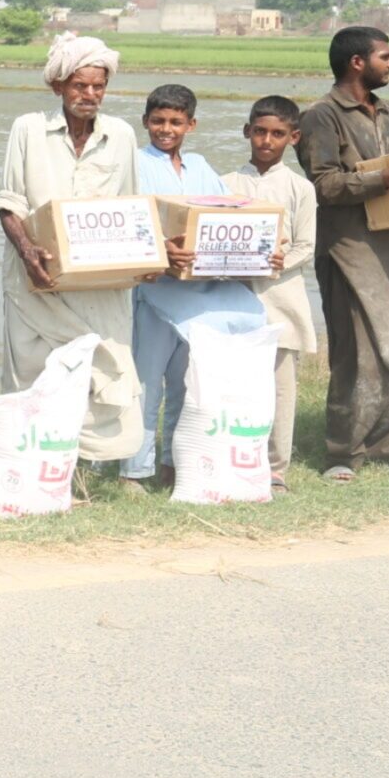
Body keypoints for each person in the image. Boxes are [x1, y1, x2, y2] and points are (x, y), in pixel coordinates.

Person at [0, 33, 148, 489]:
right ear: (58, 86)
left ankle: (79, 470)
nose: (90, 95)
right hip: (35, 281)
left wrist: (144, 259)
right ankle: (33, 471)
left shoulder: (120, 135)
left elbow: (131, 207)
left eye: (98, 86)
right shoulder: (29, 129)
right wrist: (28, 252)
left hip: (101, 286)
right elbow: (9, 204)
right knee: (35, 374)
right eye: (80, 86)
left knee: (103, 370)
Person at [298, 27, 389, 480]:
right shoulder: (321, 116)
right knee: (358, 354)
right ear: (357, 62)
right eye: (386, 55)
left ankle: (388, 449)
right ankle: (345, 455)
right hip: (351, 251)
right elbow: (324, 186)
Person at [123, 84, 270, 488]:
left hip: (198, 295)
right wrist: (163, 254)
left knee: (188, 384)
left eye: (175, 122)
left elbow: (226, 217)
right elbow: (127, 222)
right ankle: (134, 471)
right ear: (145, 122)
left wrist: (262, 249)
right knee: (146, 383)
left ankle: (174, 464)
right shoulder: (132, 164)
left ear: (192, 124)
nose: (165, 129)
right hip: (153, 291)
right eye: (157, 121)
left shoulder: (201, 167)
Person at [227, 96, 318, 488]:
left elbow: (306, 245)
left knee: (281, 387)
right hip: (234, 295)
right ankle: (233, 454)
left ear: (292, 138)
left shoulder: (300, 188)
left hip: (282, 296)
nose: (267, 140)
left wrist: (280, 261)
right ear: (247, 131)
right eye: (260, 131)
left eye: (277, 134)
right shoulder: (226, 184)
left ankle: (276, 466)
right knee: (235, 383)